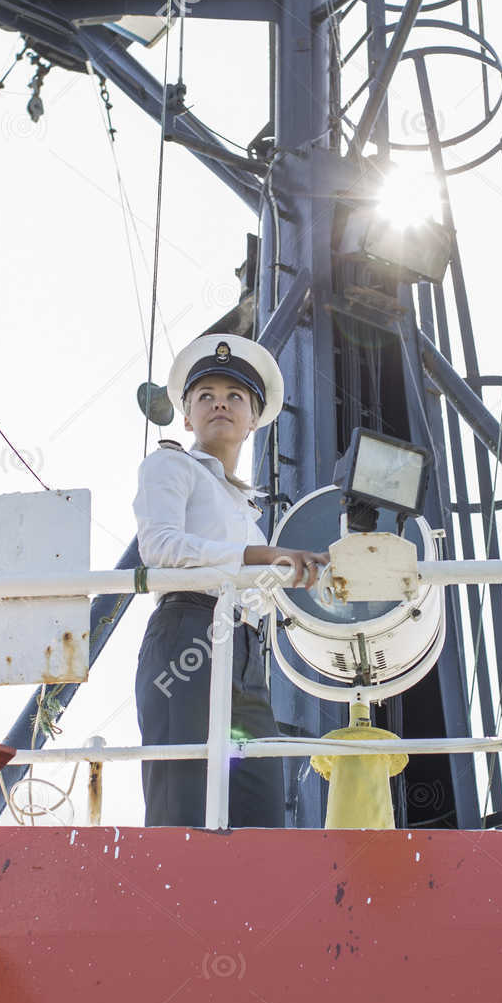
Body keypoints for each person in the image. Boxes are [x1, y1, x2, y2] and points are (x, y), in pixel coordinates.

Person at [132, 333, 329, 828]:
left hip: (244, 651)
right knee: (183, 804)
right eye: (206, 397)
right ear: (187, 416)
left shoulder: (246, 508)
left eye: (235, 397)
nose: (220, 404)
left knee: (259, 809)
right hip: (186, 635)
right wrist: (261, 556)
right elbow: (160, 549)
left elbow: (255, 584)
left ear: (253, 420)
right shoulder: (170, 466)